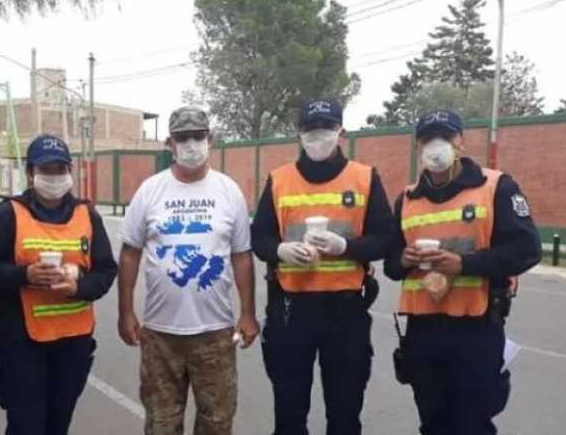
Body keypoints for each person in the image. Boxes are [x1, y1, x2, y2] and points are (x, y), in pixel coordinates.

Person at [383, 110, 542, 435]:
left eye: (446, 137)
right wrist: (404, 258)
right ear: (418, 147)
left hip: (476, 329)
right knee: (432, 423)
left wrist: (465, 265)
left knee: (472, 424)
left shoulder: (496, 187)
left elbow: (527, 250)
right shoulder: (407, 199)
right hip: (423, 331)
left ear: (461, 143)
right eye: (428, 139)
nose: (436, 146)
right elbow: (390, 266)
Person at [250, 98, 396, 435]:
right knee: (289, 411)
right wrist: (281, 250)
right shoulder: (279, 180)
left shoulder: (364, 178)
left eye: (326, 129)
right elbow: (259, 239)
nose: (318, 137)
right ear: (299, 134)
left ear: (340, 131)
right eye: (310, 130)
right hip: (290, 309)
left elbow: (386, 238)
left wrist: (347, 247)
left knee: (344, 413)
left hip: (345, 311)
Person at [117, 106, 259, 435]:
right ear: (170, 143)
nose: (192, 144)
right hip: (160, 335)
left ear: (211, 140)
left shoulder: (228, 191)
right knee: (161, 424)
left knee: (217, 422)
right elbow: (129, 254)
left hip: (215, 333)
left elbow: (241, 255)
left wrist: (248, 314)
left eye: (198, 136)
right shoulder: (150, 191)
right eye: (183, 137)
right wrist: (126, 312)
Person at [0, 134, 118, 435]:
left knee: (58, 424)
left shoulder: (87, 214)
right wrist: (25, 275)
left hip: (73, 342)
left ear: (69, 172)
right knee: (25, 426)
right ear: (30, 173)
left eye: (60, 169)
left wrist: (79, 288)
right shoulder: (6, 214)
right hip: (21, 342)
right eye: (46, 170)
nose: (54, 177)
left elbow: (105, 271)